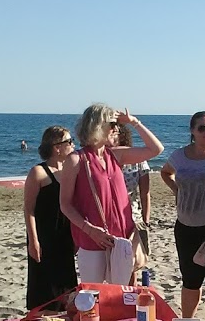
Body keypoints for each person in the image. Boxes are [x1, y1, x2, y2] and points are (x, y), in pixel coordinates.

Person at [59, 105, 163, 285]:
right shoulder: (76, 160)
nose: (116, 128)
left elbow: (156, 149)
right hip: (92, 240)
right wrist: (90, 230)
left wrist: (134, 122)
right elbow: (65, 204)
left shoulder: (115, 155)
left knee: (121, 296)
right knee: (93, 297)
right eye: (112, 124)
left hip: (122, 239)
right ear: (98, 126)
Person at [160, 111, 205, 318]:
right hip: (185, 227)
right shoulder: (179, 155)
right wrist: (176, 190)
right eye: (202, 128)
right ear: (192, 131)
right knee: (190, 280)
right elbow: (165, 172)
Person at [24, 126, 78, 310]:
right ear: (57, 147)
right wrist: (33, 240)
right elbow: (29, 209)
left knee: (67, 285)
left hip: (65, 236)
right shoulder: (38, 173)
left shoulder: (70, 171)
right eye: (69, 142)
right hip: (44, 236)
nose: (73, 145)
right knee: (43, 288)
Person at [109, 122, 151, 284]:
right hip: (109, 218)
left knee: (131, 264)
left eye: (115, 133)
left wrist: (145, 221)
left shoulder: (139, 160)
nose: (112, 136)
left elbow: (145, 194)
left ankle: (130, 301)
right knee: (111, 266)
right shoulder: (103, 158)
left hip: (132, 218)